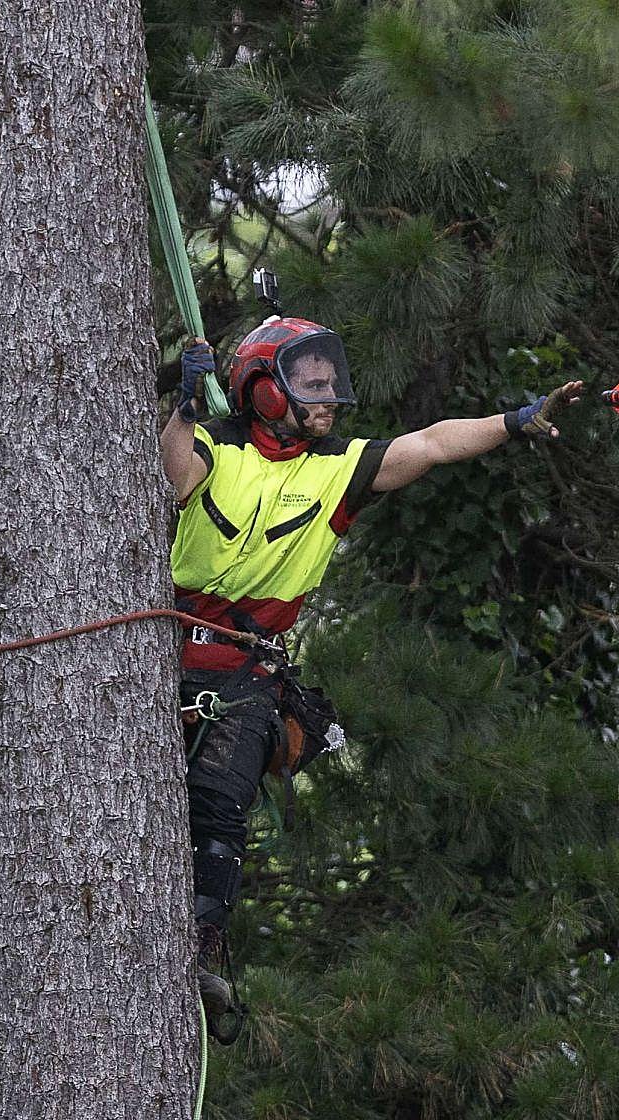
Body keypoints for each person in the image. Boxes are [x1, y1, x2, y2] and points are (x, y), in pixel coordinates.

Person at [161, 315, 582, 1039]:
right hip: (158, 656)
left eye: (331, 383)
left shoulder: (337, 469)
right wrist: (184, 404)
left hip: (245, 670)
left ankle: (200, 947)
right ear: (263, 389)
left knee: (219, 807)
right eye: (310, 384)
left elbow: (431, 444)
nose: (328, 398)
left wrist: (515, 421)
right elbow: (176, 474)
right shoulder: (216, 446)